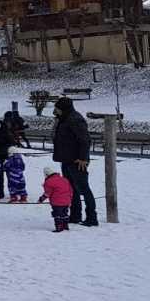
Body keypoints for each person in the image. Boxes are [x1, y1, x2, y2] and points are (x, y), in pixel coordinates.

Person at [52, 96, 97, 227]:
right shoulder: (64, 119)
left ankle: (91, 217)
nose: (56, 110)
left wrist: (83, 158)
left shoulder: (75, 119)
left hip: (77, 161)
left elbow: (85, 140)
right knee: (71, 189)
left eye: (57, 108)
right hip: (66, 159)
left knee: (84, 189)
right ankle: (75, 215)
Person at [39, 167, 74, 232]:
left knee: (57, 215)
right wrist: (70, 200)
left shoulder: (49, 182)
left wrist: (41, 199)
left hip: (57, 203)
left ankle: (59, 227)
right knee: (65, 214)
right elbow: (70, 190)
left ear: (46, 175)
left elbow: (47, 193)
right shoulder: (64, 179)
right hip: (66, 201)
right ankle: (65, 226)